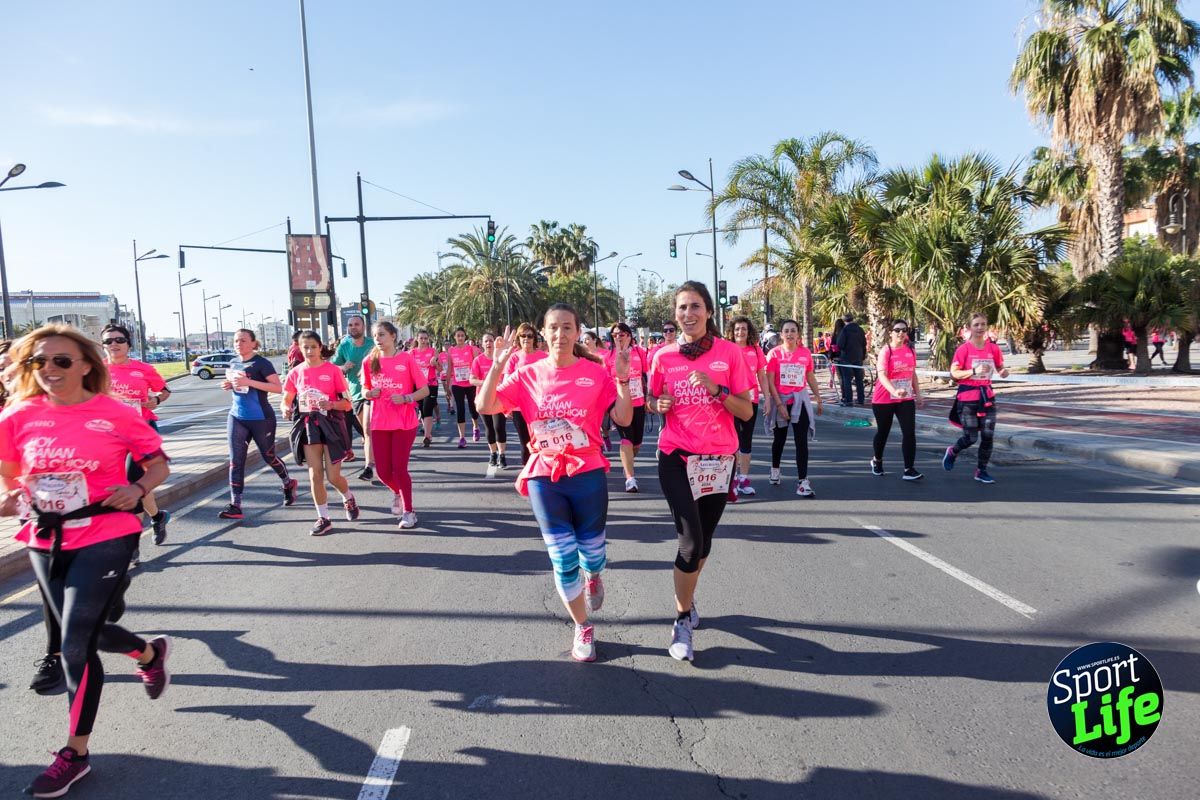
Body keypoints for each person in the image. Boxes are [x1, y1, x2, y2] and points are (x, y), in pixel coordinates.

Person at [0, 325, 172, 798]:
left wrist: (137, 489)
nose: (49, 370)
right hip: (45, 538)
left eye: (60, 360)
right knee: (86, 631)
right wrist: (15, 498)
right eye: (38, 362)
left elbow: (159, 463)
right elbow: (12, 480)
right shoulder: (17, 417)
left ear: (84, 365)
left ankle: (74, 752)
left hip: (107, 532)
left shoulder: (114, 413)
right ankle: (148, 652)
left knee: (75, 643)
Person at [477, 305, 632, 662]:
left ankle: (593, 573)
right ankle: (583, 626)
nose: (560, 335)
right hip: (545, 476)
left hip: (588, 471)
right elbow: (485, 405)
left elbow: (623, 417)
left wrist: (623, 379)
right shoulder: (527, 373)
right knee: (562, 558)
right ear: (543, 334)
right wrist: (499, 364)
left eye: (567, 328)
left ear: (578, 333)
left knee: (592, 553)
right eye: (553, 329)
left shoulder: (595, 373)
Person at [648, 282, 754, 662]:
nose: (688, 314)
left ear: (708, 312)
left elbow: (746, 411)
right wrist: (656, 403)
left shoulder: (730, 354)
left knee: (705, 543)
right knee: (690, 542)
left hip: (718, 461)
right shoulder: (663, 357)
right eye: (681, 308)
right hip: (676, 456)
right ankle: (680, 620)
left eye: (695, 306)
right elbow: (652, 400)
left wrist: (717, 389)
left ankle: (688, 601)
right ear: (675, 314)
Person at [281, 330, 360, 535]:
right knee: (315, 474)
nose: (309, 351)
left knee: (333, 477)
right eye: (305, 347)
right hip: (309, 426)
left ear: (320, 347)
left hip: (332, 425)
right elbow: (287, 398)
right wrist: (285, 408)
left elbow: (347, 403)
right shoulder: (295, 372)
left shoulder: (333, 370)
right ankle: (323, 518)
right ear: (299, 348)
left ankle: (348, 497)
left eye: (313, 347)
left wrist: (331, 403)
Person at [218, 328, 298, 520]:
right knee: (236, 461)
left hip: (261, 418)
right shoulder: (234, 362)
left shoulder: (262, 363)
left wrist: (250, 382)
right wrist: (229, 384)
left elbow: (278, 388)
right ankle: (236, 505)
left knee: (268, 456)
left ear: (254, 343)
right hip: (237, 416)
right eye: (236, 341)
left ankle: (288, 483)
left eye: (244, 340)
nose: (239, 344)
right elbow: (239, 385)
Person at [362, 321, 429, 529]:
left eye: (382, 335)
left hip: (404, 422)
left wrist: (408, 398)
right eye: (375, 336)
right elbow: (364, 388)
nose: (378, 339)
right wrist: (368, 394)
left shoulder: (406, 359)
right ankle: (398, 493)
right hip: (379, 422)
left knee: (399, 469)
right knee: (382, 472)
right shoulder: (369, 361)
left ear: (393, 336)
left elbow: (424, 390)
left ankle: (409, 511)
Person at [943, 312, 1009, 484]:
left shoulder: (993, 348)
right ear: (970, 328)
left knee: (988, 435)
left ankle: (981, 471)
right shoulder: (963, 349)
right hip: (967, 398)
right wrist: (973, 371)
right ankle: (953, 451)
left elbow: (1000, 366)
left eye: (983, 324)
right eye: (976, 325)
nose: (980, 328)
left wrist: (1003, 371)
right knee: (971, 438)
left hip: (986, 396)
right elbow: (954, 373)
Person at [765, 319, 824, 497]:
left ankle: (802, 481)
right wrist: (779, 404)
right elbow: (770, 381)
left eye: (793, 331)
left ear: (798, 334)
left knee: (801, 441)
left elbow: (810, 376)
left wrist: (818, 397)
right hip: (781, 401)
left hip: (800, 401)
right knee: (780, 440)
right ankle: (775, 469)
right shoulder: (774, 354)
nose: (790, 334)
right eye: (786, 331)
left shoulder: (805, 353)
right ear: (781, 335)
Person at [870, 320, 924, 481]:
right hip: (884, 398)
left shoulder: (910, 351)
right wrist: (894, 390)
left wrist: (918, 393)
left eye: (904, 330)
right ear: (891, 332)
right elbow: (882, 375)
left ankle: (909, 469)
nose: (901, 333)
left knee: (909, 433)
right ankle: (877, 460)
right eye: (897, 330)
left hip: (905, 398)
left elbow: (912, 373)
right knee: (883, 432)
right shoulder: (886, 351)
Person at [727, 316, 768, 497]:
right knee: (732, 441)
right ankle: (732, 479)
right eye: (737, 329)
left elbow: (762, 375)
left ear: (748, 331)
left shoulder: (756, 350)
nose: (740, 332)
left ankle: (744, 478)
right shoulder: (728, 349)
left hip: (751, 401)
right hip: (731, 400)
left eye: (743, 329)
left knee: (746, 441)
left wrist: (767, 397)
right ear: (732, 332)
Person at [607, 322, 649, 492]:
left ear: (629, 336)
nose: (618, 337)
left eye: (621, 334)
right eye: (615, 334)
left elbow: (647, 374)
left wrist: (649, 399)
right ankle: (630, 478)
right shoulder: (608, 356)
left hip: (638, 401)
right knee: (626, 438)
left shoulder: (639, 352)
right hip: (618, 402)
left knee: (637, 442)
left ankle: (628, 465)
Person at [332, 315, 374, 479]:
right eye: (350, 325)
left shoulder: (373, 344)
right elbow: (333, 368)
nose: (353, 327)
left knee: (370, 430)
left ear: (363, 327)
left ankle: (369, 466)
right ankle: (373, 461)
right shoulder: (344, 346)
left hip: (377, 392)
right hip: (356, 393)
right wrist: (343, 367)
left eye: (357, 324)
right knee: (368, 430)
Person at [505, 322, 548, 464]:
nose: (526, 339)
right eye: (523, 336)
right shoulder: (514, 358)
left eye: (529, 336)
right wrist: (507, 406)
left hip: (541, 407)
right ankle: (528, 473)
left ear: (534, 339)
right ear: (518, 338)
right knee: (525, 442)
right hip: (519, 407)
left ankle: (543, 470)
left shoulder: (544, 356)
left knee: (542, 440)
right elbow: (507, 384)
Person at [471, 331, 509, 469]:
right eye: (486, 341)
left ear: (495, 343)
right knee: (489, 428)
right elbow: (472, 379)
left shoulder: (501, 358)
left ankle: (502, 454)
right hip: (483, 399)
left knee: (499, 427)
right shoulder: (478, 360)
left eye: (491, 340)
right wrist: (486, 383)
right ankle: (493, 453)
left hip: (499, 399)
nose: (488, 343)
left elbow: (507, 376)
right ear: (482, 344)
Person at [447, 327, 481, 448]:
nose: (460, 338)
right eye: (458, 335)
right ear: (455, 337)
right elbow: (450, 368)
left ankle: (475, 427)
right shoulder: (451, 351)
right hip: (457, 384)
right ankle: (462, 437)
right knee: (460, 409)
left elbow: (477, 365)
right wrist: (447, 385)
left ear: (465, 337)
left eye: (462, 335)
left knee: (472, 407)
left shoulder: (471, 349)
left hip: (470, 383)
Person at [409, 330, 440, 448]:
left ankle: (427, 436)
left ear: (428, 339)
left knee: (427, 409)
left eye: (425, 338)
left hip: (431, 384)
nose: (423, 340)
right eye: (421, 338)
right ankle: (428, 433)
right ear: (417, 339)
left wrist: (435, 363)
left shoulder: (433, 352)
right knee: (421, 409)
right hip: (417, 386)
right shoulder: (411, 353)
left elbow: (440, 369)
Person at [835, 312, 866, 406]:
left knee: (847, 379)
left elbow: (840, 344)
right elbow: (864, 343)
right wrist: (862, 355)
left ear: (844, 321)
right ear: (853, 319)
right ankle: (861, 399)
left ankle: (849, 400)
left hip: (846, 358)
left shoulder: (845, 330)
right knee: (859, 380)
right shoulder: (860, 329)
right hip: (858, 357)